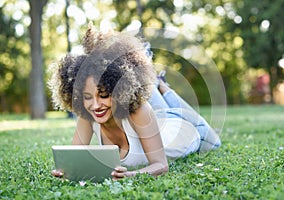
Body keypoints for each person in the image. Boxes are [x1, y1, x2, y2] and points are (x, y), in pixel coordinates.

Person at [49, 23, 221, 180]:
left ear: (117, 90)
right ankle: (156, 81)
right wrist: (65, 172)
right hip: (156, 122)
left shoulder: (139, 110)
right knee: (145, 96)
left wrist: (131, 175)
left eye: (103, 95)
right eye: (87, 97)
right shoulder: (88, 115)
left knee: (215, 142)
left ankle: (161, 85)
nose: (95, 105)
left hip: (185, 126)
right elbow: (74, 159)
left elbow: (161, 166)